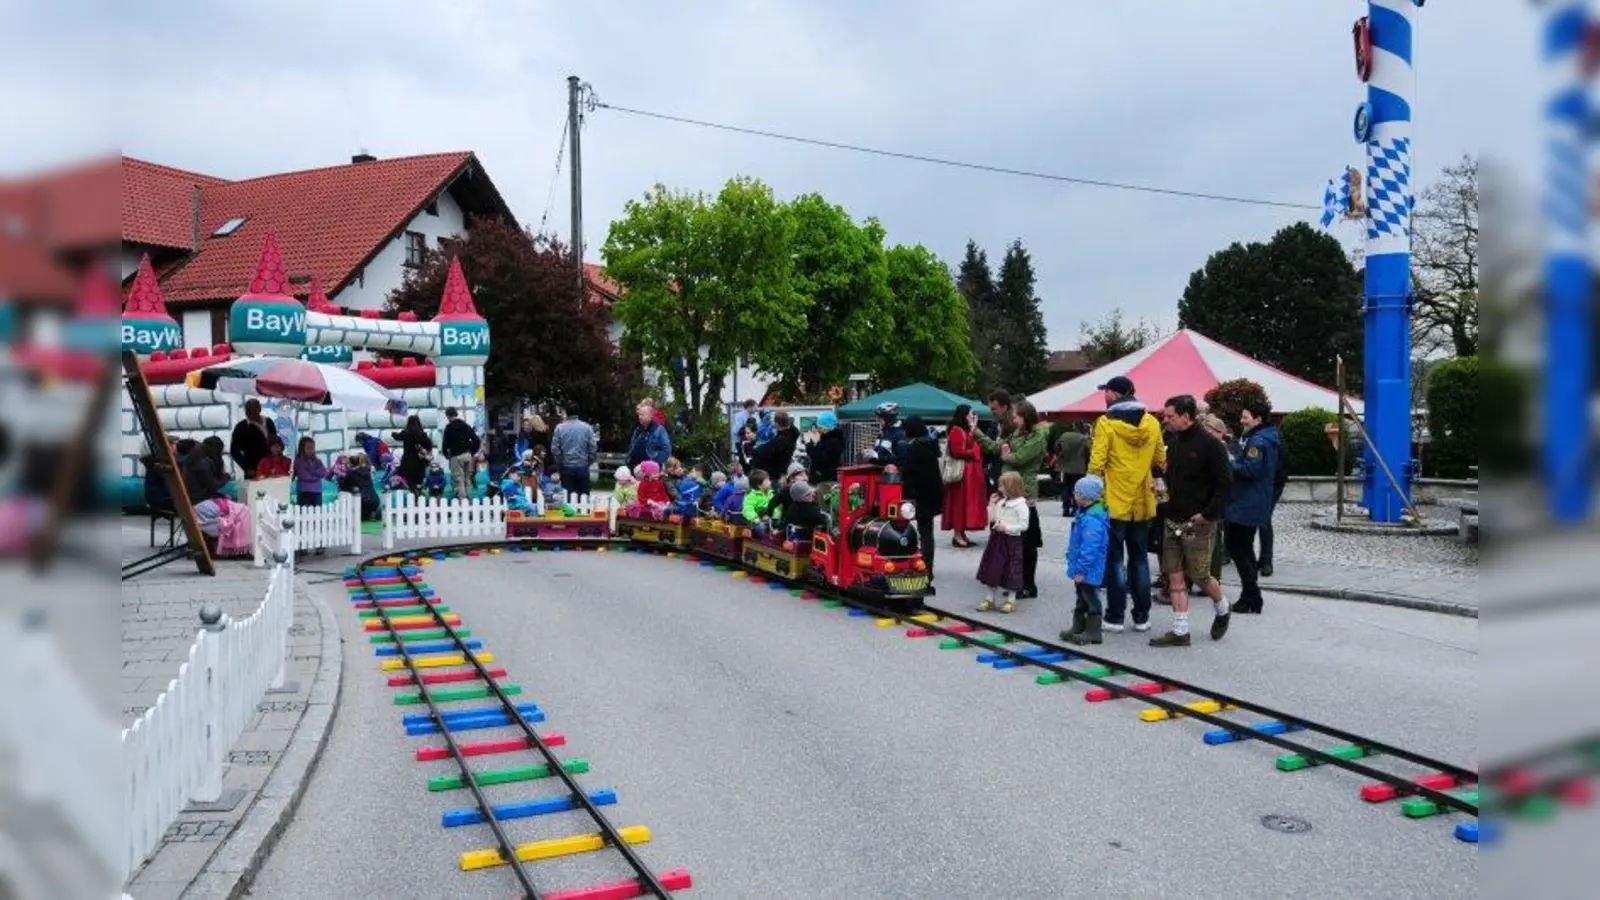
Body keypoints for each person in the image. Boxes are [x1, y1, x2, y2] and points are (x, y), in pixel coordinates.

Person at [1148, 395, 1234, 647]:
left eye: (1170, 416)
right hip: (1172, 518)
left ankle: (1222, 607)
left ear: (1186, 416)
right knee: (1174, 575)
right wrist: (1162, 499)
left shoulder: (1212, 445)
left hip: (1199, 522)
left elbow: (1224, 484)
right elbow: (1169, 479)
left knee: (1199, 575)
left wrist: (1207, 514)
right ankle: (1180, 630)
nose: (1165, 420)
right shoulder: (1174, 443)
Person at [1087, 375, 1166, 633]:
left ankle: (1115, 616)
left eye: (1106, 391)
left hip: (1114, 500)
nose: (1104, 396)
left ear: (1115, 394)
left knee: (1114, 560)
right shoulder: (1152, 422)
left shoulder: (1105, 423)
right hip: (1142, 501)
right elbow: (1160, 459)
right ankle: (1142, 617)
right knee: (1140, 558)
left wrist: (1089, 497)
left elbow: (1097, 464)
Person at [972, 399, 1048, 598]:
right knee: (1012, 542)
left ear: (1025, 416)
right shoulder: (1017, 433)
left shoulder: (1037, 436)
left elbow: (1021, 458)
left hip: (1024, 492)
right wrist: (976, 432)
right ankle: (1015, 582)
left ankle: (1028, 585)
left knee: (1027, 543)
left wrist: (1007, 457)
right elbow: (996, 447)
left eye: (1016, 416)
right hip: (1009, 490)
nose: (1013, 419)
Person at [1225, 399, 1282, 615]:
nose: (1242, 421)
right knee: (1244, 549)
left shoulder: (1258, 441)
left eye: (1245, 417)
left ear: (1257, 418)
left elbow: (1250, 470)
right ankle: (1251, 596)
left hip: (1246, 503)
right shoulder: (1265, 437)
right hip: (1251, 501)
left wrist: (1229, 462)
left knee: (1239, 549)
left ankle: (1251, 596)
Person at [1062, 474, 1111, 645]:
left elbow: (1090, 548)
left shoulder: (1092, 520)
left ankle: (1093, 631)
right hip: (1082, 567)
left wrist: (1082, 569)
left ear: (1085, 496)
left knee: (1090, 598)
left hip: (1088, 569)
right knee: (1081, 596)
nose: (1074, 495)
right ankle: (1078, 626)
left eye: (1076, 493)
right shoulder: (1084, 514)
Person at [899, 416, 944, 585]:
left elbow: (908, 474)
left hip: (918, 495)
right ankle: (928, 568)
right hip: (933, 493)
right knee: (927, 533)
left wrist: (908, 497)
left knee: (914, 531)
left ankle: (919, 567)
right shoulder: (931, 444)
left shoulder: (913, 449)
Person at [975, 471, 1029, 613]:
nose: (999, 488)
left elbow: (1024, 525)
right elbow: (991, 519)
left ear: (1011, 487)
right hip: (997, 539)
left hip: (1012, 541)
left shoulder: (1021, 505)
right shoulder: (1001, 502)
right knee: (992, 567)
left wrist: (1007, 528)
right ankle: (989, 598)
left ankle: (1011, 600)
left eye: (1002, 486)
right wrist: (991, 504)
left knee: (1012, 569)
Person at [941, 404, 987, 548]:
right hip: (962, 474)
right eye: (971, 414)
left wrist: (973, 430)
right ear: (964, 415)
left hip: (968, 474)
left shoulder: (964, 430)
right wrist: (974, 452)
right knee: (959, 503)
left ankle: (961, 534)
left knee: (964, 503)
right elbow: (957, 451)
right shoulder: (957, 430)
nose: (973, 416)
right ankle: (957, 535)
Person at [551, 407, 599, 497]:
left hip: (566, 465)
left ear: (567, 413)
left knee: (568, 496)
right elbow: (593, 447)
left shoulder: (560, 428)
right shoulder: (587, 427)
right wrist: (589, 460)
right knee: (584, 496)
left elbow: (555, 448)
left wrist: (560, 461)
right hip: (583, 465)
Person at [229, 398, 278, 479]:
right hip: (253, 469)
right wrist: (246, 467)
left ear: (259, 409)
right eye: (248, 411)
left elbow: (276, 443)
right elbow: (234, 451)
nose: (250, 413)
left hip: (271, 466)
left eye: (253, 410)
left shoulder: (269, 422)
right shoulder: (241, 427)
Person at [439, 408, 479, 500]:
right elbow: (476, 440)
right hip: (467, 455)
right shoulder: (466, 426)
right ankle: (470, 498)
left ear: (447, 416)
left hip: (456, 456)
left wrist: (446, 455)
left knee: (459, 479)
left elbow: (445, 444)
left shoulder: (449, 428)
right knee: (467, 478)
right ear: (456, 414)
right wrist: (472, 451)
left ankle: (463, 500)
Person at [1054, 423, 1091, 518]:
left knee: (1066, 487)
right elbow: (1088, 452)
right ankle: (1075, 508)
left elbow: (1056, 447)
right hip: (1079, 468)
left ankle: (1065, 508)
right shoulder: (1085, 438)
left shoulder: (1064, 435)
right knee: (1077, 488)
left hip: (1065, 467)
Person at [751, 410, 802, 478]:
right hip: (782, 468)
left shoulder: (780, 440)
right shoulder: (792, 434)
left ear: (777, 424)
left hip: (775, 472)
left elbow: (759, 452)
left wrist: (754, 450)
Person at [625, 399, 673, 470]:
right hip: (634, 466)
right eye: (639, 415)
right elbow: (631, 446)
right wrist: (628, 459)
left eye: (643, 415)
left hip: (650, 469)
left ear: (650, 415)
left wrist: (655, 462)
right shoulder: (637, 430)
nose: (640, 417)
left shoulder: (659, 429)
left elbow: (666, 450)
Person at [394, 414, 435, 492]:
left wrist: (393, 433)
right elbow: (429, 445)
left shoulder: (405, 433)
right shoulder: (422, 434)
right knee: (419, 480)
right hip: (420, 461)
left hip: (407, 461)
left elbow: (397, 437)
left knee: (410, 481)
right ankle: (418, 494)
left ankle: (413, 492)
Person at [984, 389, 1015, 492]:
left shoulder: (1016, 426)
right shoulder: (994, 425)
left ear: (1005, 407)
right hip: (995, 473)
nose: (991, 412)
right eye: (990, 409)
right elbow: (987, 448)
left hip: (1010, 476)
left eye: (994, 409)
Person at [804, 411, 845, 484]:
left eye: (820, 427)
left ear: (827, 428)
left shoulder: (833, 441)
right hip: (822, 477)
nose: (818, 430)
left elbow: (819, 457)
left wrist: (808, 444)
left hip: (826, 479)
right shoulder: (827, 438)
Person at [290, 437, 326, 507]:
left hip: (317, 492)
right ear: (302, 448)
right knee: (305, 512)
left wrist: (311, 470)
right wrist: (316, 475)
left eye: (312, 448)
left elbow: (323, 472)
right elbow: (303, 475)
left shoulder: (317, 461)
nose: (311, 450)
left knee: (317, 512)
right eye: (308, 448)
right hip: (304, 492)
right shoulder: (299, 461)